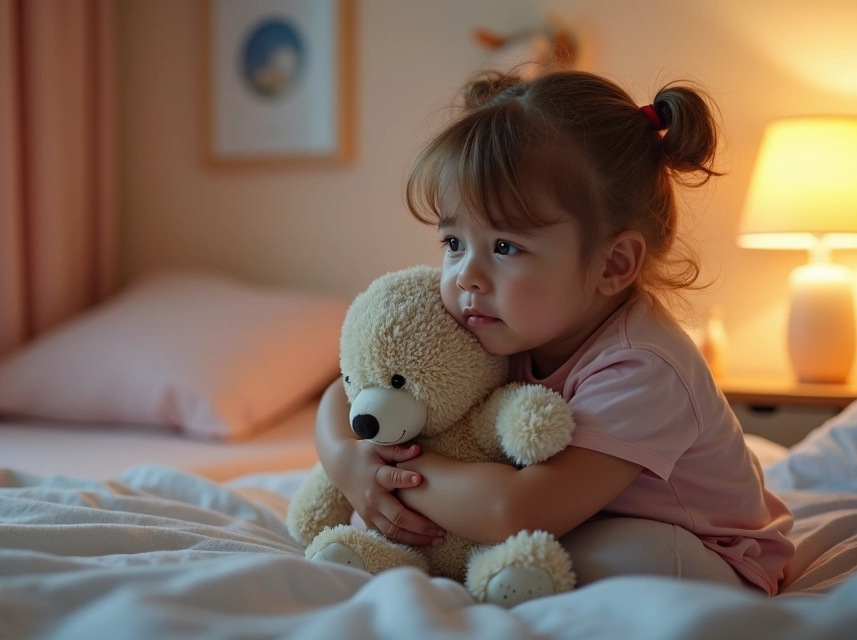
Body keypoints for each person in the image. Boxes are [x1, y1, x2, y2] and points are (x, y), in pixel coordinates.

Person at [314, 70, 795, 596]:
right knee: (515, 537)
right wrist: (346, 461)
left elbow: (514, 509)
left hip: (705, 552)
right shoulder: (493, 313)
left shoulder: (645, 366)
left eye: (504, 247)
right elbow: (352, 388)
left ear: (614, 263)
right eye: (453, 241)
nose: (466, 275)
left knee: (617, 547)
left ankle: (500, 573)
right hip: (555, 515)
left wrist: (396, 475)